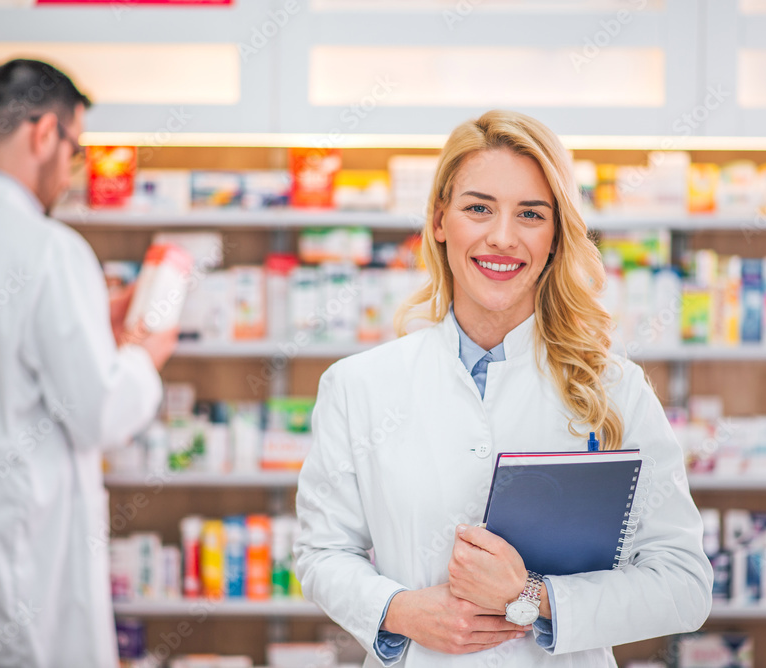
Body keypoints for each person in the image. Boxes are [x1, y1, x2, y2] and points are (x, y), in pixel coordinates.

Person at [294, 110, 713, 667]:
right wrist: (400, 610)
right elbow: (323, 554)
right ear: (440, 219)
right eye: (478, 208)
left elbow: (683, 585)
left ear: (556, 233)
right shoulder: (359, 385)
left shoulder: (614, 388)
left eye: (531, 214)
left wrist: (531, 599)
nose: (502, 237)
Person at [0, 59, 178, 667]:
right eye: (75, 148)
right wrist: (141, 356)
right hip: (15, 550)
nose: (71, 172)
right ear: (44, 132)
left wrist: (92, 323)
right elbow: (99, 413)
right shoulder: (48, 249)